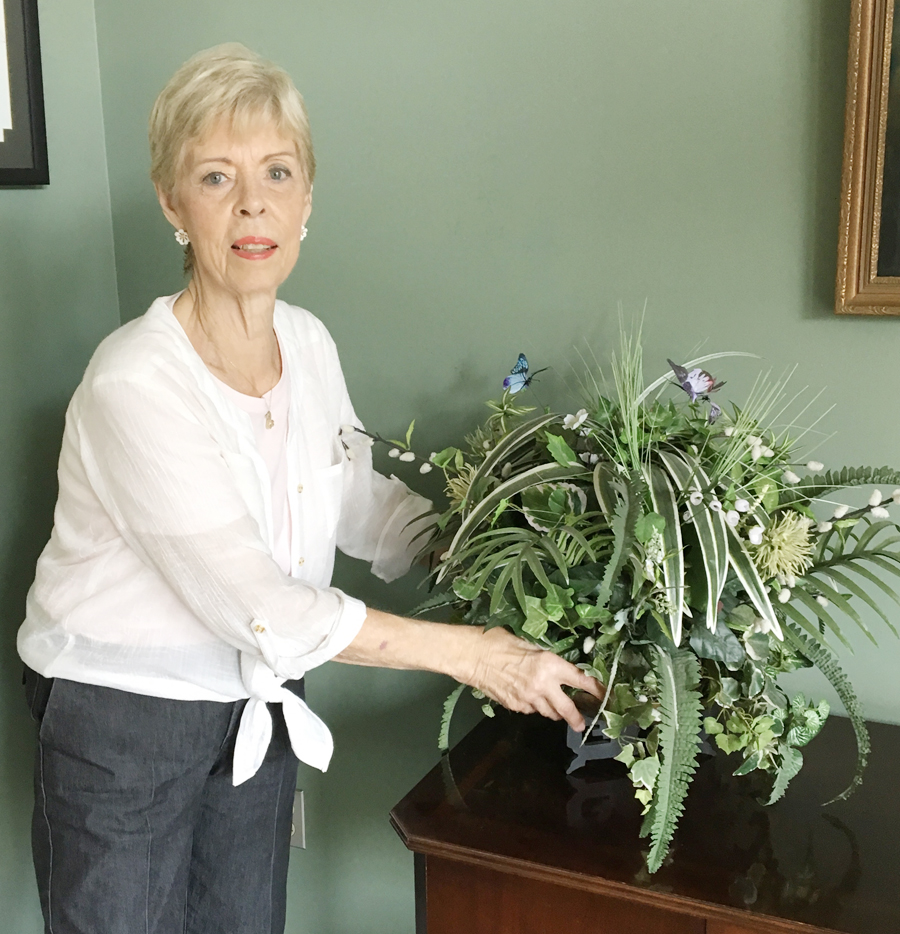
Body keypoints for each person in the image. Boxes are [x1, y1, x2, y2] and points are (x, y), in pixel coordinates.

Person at [16, 43, 603, 934]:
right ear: (173, 203)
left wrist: (504, 547)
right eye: (217, 177)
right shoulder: (134, 383)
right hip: (122, 720)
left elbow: (356, 499)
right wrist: (476, 652)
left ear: (306, 200)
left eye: (277, 172)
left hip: (259, 700)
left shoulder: (309, 342)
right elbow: (260, 606)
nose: (253, 202)